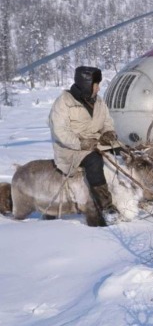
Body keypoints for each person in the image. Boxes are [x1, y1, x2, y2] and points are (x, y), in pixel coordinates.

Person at [49, 66, 119, 225]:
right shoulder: (64, 102)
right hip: (70, 149)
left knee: (123, 151)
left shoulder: (99, 101)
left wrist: (108, 132)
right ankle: (106, 207)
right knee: (94, 161)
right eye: (96, 84)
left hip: (95, 143)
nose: (99, 88)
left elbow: (107, 122)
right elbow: (60, 131)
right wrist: (80, 143)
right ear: (87, 84)